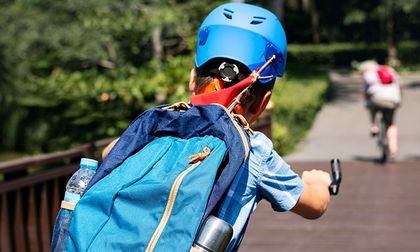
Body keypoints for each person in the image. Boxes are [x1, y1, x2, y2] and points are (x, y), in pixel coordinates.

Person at [103, 2, 331, 251]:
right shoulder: (255, 151)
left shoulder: (161, 122)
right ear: (263, 103)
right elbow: (314, 205)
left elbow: (109, 154)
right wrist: (319, 183)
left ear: (193, 80)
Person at [358, 60, 401, 159]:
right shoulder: (390, 70)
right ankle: (393, 149)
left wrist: (366, 101)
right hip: (393, 100)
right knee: (391, 124)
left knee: (371, 107)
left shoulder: (369, 74)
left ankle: (374, 127)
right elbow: (398, 85)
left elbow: (365, 92)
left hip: (377, 100)